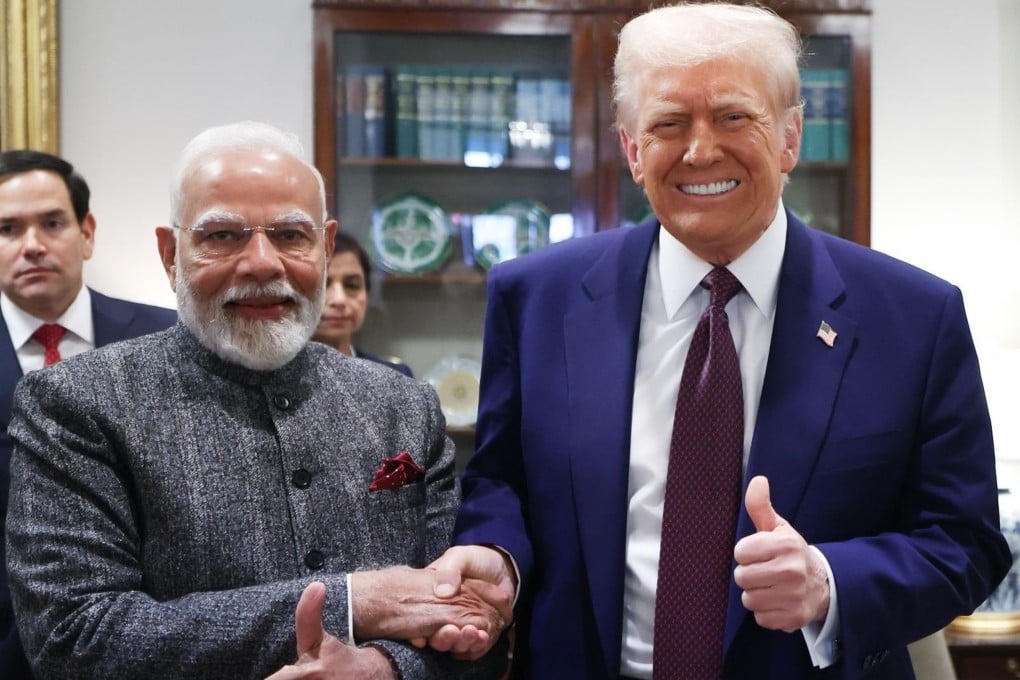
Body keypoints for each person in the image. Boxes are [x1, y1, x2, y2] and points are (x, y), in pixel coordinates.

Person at [429, 3, 1012, 679]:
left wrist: (829, 582)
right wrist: (496, 556)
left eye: (735, 117)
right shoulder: (536, 298)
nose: (701, 150)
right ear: (632, 150)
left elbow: (965, 543)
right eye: (668, 124)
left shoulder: (913, 318)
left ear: (791, 135)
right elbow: (501, 482)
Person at [5, 122, 509, 679]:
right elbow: (74, 637)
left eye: (292, 235)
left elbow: (469, 625)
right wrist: (356, 600)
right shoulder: (77, 404)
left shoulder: (402, 405)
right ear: (171, 254)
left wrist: (383, 670)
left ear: (326, 245)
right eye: (222, 235)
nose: (263, 262)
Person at [0, 150, 177, 679]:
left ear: (87, 232)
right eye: (8, 229)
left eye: (52, 223)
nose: (32, 245)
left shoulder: (167, 339)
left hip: (152, 637)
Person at [312, 231, 413, 377]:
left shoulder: (396, 377)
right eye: (322, 285)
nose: (339, 300)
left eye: (352, 285)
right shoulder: (271, 379)